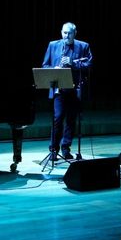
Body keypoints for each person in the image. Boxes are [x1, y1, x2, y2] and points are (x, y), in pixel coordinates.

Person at [42, 22, 93, 160]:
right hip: (59, 89)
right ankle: (54, 149)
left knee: (71, 120)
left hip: (74, 89)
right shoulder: (53, 45)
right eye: (64, 32)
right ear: (61, 32)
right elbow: (45, 65)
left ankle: (66, 149)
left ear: (75, 33)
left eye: (69, 33)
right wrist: (54, 69)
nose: (67, 35)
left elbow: (89, 64)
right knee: (58, 118)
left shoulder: (83, 46)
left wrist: (73, 63)